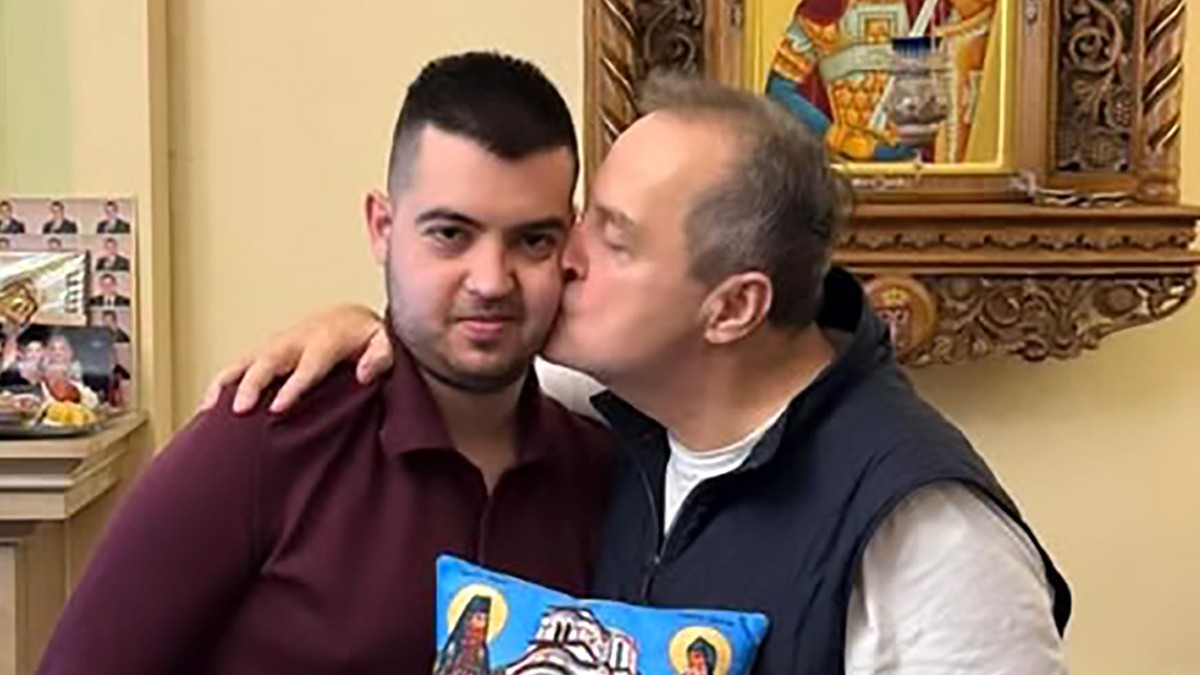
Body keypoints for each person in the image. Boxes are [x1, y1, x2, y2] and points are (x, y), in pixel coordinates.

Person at [212, 73, 1072, 673]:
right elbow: (456, 351)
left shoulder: (929, 537)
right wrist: (365, 328)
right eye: (582, 218)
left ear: (731, 309)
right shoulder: (607, 404)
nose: (563, 256)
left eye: (614, 239)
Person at [35, 52, 611, 675]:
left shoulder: (607, 475)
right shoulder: (267, 437)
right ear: (382, 228)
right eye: (451, 234)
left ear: (571, 245)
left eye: (533, 241)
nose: (492, 281)